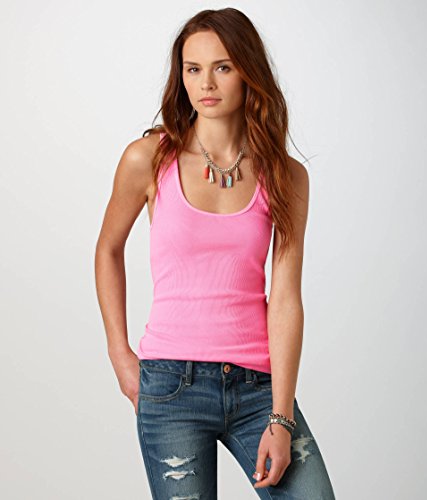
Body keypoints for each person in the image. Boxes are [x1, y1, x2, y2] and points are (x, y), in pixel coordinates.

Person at [95, 7, 336, 500]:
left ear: (248, 72)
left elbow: (285, 298)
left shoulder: (285, 176)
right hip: (171, 386)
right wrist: (121, 356)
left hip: (259, 387)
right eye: (193, 68)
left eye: (222, 67)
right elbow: (108, 250)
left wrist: (282, 416)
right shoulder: (149, 159)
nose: (206, 83)